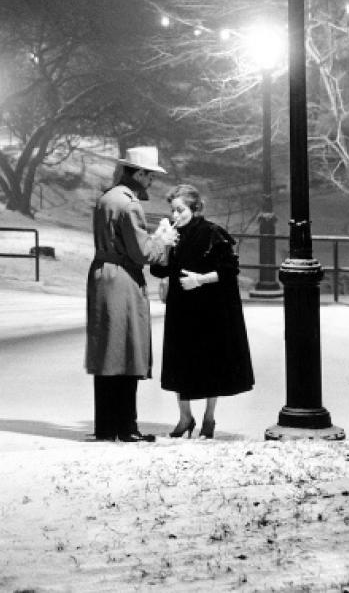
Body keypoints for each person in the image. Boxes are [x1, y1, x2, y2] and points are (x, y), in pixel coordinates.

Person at [86, 146, 177, 442]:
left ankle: (106, 426)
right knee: (127, 349)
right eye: (149, 175)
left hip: (102, 275)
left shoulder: (107, 198)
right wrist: (163, 241)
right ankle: (126, 427)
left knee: (107, 352)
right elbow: (142, 253)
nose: (151, 181)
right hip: (122, 278)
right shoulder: (130, 205)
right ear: (138, 173)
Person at [151, 183, 254, 439]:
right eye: (173, 210)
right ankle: (185, 416)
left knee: (210, 361)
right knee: (180, 360)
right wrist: (162, 244)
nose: (175, 215)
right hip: (181, 305)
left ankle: (209, 417)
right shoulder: (173, 234)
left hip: (209, 306)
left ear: (195, 208)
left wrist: (200, 279)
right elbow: (159, 270)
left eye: (180, 210)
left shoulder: (212, 232)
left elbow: (229, 270)